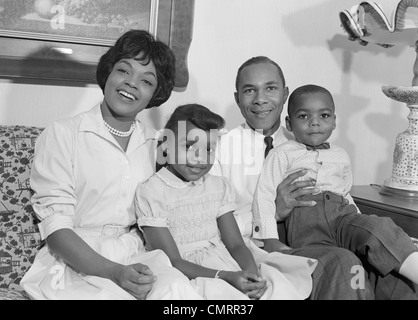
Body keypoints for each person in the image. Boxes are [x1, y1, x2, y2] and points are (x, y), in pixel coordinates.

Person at [210, 55, 417, 299]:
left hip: (332, 231)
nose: (260, 99)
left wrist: (360, 232)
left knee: (391, 273)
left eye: (271, 88)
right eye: (249, 90)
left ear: (285, 94)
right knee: (343, 263)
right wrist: (274, 213)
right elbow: (210, 221)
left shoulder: (309, 138)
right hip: (262, 248)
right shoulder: (219, 148)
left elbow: (341, 191)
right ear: (237, 98)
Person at [20, 30, 203, 300]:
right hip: (75, 261)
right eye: (123, 70)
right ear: (108, 72)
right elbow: (56, 230)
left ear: (155, 94)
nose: (131, 83)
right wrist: (115, 272)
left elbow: (186, 203)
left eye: (146, 81)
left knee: (179, 292)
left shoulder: (158, 144)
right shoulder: (62, 134)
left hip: (137, 255)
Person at [135, 104, 317, 300]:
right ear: (166, 145)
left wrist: (250, 274)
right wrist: (227, 277)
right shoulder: (152, 191)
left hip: (227, 262)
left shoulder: (217, 186)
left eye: (208, 149)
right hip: (190, 273)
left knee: (274, 285)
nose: (199, 158)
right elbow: (173, 260)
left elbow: (236, 243)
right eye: (188, 146)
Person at [253, 83, 418, 296]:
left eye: (324, 116)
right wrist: (270, 240)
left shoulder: (340, 155)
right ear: (289, 123)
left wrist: (362, 230)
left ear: (334, 121)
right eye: (303, 117)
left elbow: (345, 193)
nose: (315, 123)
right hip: (310, 228)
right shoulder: (282, 154)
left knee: (380, 229)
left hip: (343, 218)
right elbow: (264, 195)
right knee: (345, 262)